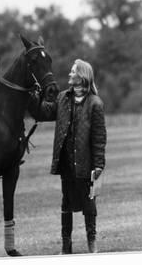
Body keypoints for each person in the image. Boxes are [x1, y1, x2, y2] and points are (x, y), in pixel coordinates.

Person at [37, 59, 107, 254]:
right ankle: (66, 247)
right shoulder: (62, 98)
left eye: (73, 71)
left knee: (88, 205)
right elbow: (43, 112)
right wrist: (31, 96)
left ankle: (92, 245)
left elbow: (99, 139)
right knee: (66, 204)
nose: (69, 74)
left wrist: (99, 165)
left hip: (86, 164)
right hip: (66, 163)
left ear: (81, 76)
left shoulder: (95, 103)